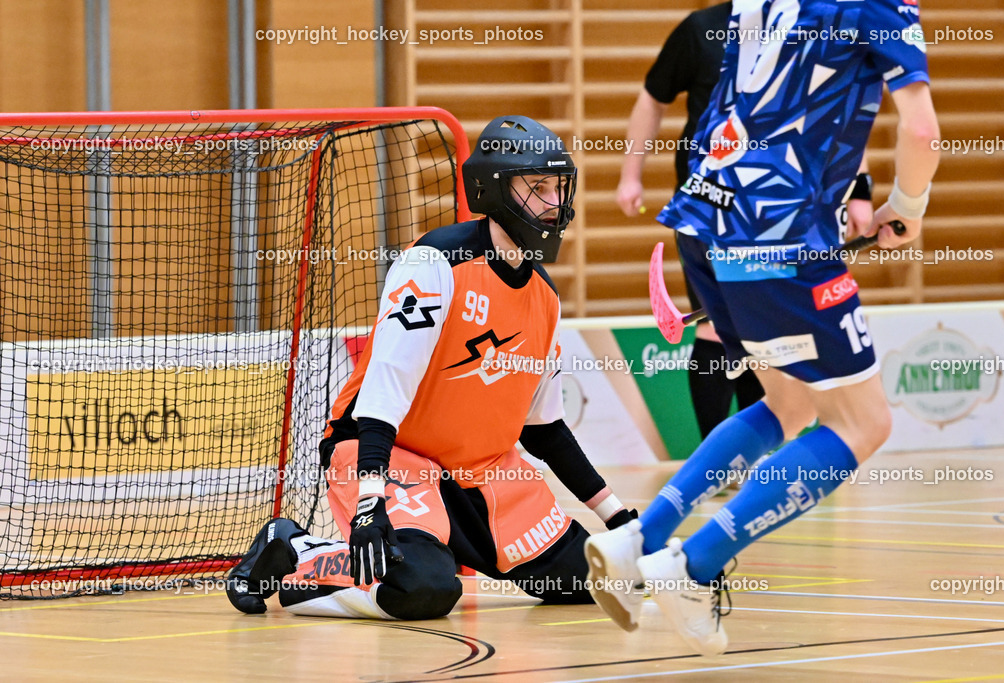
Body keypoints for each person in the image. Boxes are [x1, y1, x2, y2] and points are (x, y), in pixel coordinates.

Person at [585, 0, 939, 656]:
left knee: (790, 400)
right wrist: (907, 206)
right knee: (864, 423)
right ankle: (692, 565)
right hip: (778, 231)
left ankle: (638, 538)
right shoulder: (882, 5)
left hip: (707, 212)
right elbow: (921, 133)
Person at [225, 115, 636, 620]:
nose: (554, 202)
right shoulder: (434, 265)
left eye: (558, 187)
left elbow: (545, 429)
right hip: (395, 458)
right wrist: (371, 496)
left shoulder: (544, 298)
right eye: (537, 187)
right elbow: (383, 390)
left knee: (592, 581)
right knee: (424, 590)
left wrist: (621, 519)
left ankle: (433, 546)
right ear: (495, 190)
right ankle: (296, 551)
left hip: (482, 472)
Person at [619, 1, 877, 439]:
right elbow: (653, 97)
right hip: (714, 211)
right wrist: (631, 174)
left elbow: (834, 115)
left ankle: (752, 455)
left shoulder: (810, 27)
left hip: (784, 212)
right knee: (718, 332)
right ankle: (722, 458)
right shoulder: (703, 29)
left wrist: (861, 190)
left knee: (767, 337)